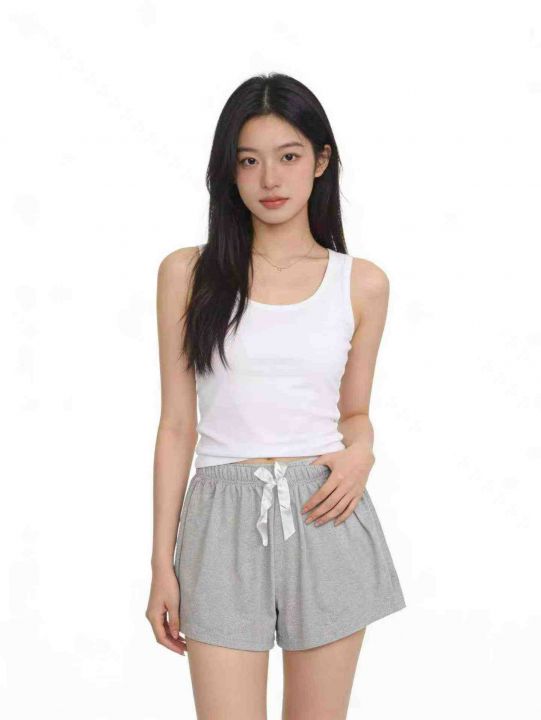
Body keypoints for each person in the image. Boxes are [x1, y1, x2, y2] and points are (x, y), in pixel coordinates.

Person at [146, 72, 406, 719]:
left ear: (320, 161)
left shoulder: (361, 284)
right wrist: (161, 564)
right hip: (219, 517)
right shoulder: (188, 274)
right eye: (249, 161)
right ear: (228, 172)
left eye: (288, 156)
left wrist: (362, 452)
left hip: (325, 510)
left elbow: (354, 412)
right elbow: (176, 426)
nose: (269, 179)